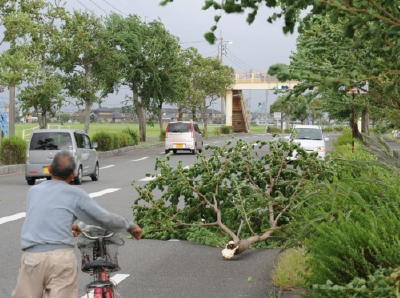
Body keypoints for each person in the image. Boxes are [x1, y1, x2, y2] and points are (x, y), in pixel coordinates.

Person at [12, 151, 142, 298]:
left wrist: (68, 225)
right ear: (73, 174)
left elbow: (41, 216)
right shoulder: (75, 194)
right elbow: (102, 218)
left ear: (49, 168)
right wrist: (129, 226)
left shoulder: (34, 191)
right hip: (60, 260)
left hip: (32, 258)